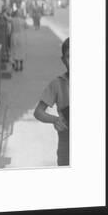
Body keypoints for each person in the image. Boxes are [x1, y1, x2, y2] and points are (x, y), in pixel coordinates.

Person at [33, 38, 70, 166]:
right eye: (69, 57)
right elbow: (38, 112)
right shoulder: (57, 83)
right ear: (63, 60)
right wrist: (55, 120)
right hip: (67, 143)